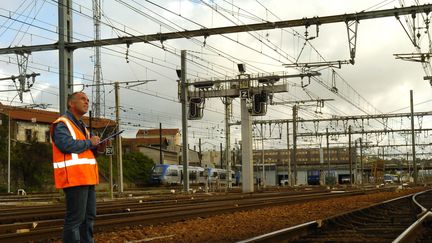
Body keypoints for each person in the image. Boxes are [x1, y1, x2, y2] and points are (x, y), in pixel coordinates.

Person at [51, 91, 106, 243]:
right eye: (83, 99)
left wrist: (98, 149)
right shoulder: (62, 124)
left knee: (88, 217)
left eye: (88, 100)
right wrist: (90, 143)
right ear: (71, 103)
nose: (87, 102)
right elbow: (65, 145)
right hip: (74, 178)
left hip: (87, 178)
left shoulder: (82, 126)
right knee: (75, 219)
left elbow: (85, 152)